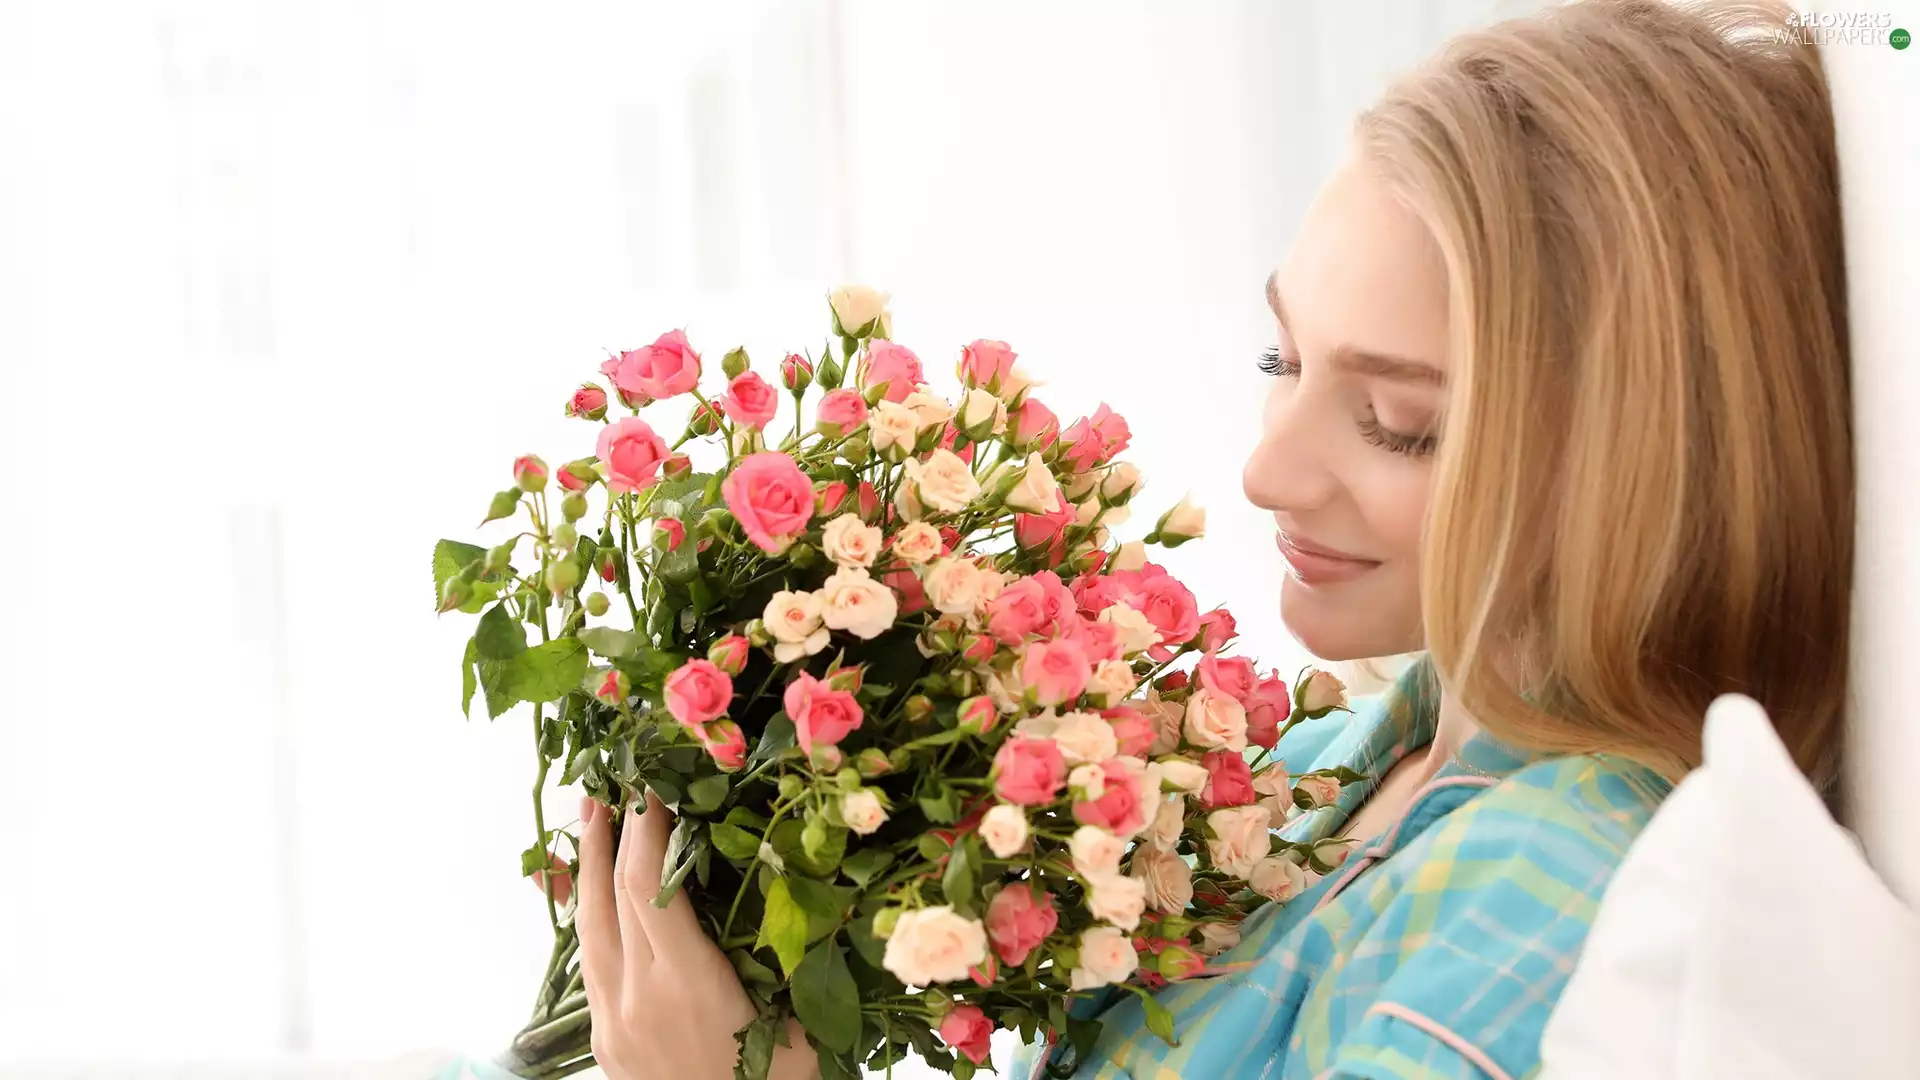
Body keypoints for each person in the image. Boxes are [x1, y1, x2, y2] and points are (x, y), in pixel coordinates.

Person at [548, 1, 1854, 1077]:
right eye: (1282, 357)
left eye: (1400, 423)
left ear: (1645, 468)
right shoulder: (1331, 758)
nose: (1269, 466)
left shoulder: (1555, 881)